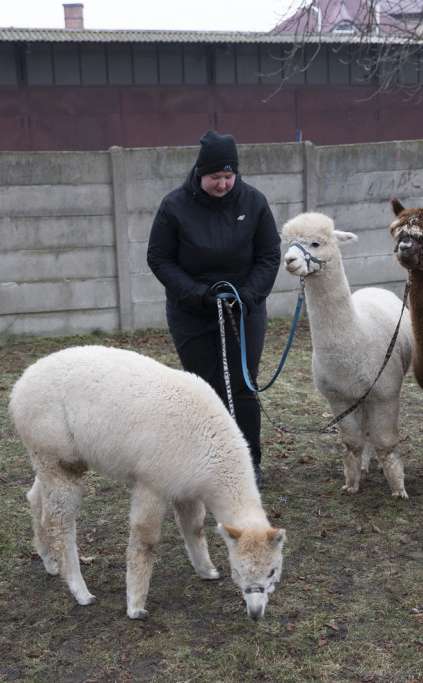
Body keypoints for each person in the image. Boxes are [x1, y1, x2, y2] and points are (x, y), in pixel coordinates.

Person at [147, 130, 281, 488]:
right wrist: (198, 295)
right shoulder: (174, 206)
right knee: (205, 389)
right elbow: (159, 258)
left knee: (242, 385)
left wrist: (247, 297)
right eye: (214, 177)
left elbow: (269, 256)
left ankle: (248, 462)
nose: (223, 184)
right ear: (199, 173)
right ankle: (207, 461)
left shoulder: (253, 202)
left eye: (228, 176)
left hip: (244, 310)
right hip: (193, 311)